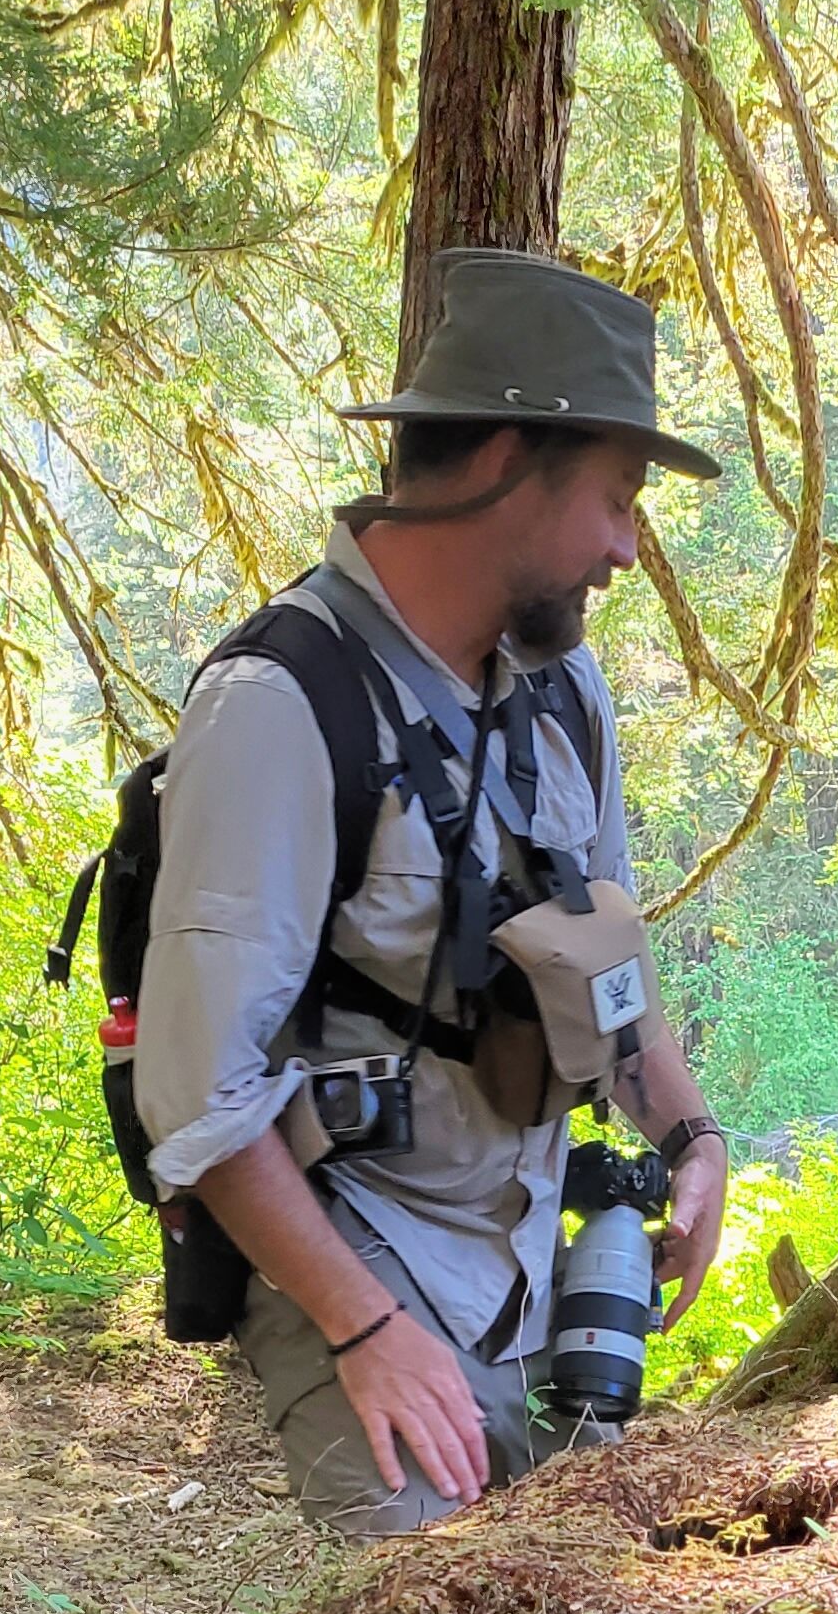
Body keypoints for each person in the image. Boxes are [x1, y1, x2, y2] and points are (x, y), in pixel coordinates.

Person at [132, 250, 733, 1538]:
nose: (627, 548)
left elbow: (605, 963)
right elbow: (199, 1095)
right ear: (510, 462)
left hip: (530, 1265)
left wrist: (696, 1141)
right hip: (358, 1255)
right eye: (618, 498)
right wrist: (366, 1331)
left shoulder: (566, 695)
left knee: (577, 1609)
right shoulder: (281, 704)